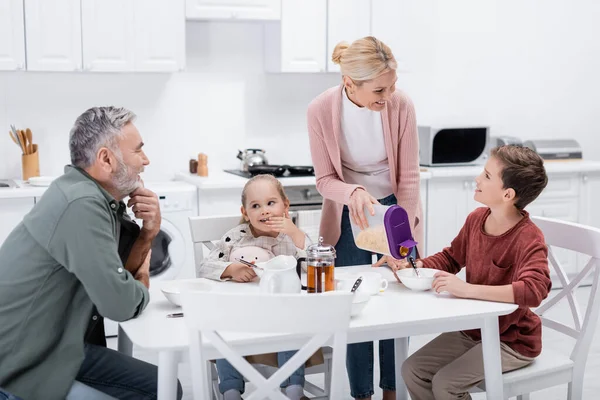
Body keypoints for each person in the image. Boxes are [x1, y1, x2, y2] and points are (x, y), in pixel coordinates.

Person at [0, 107, 183, 400]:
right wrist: (143, 280)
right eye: (138, 151)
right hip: (20, 363)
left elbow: (122, 270)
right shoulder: (82, 204)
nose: (146, 161)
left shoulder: (95, 197)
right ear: (106, 159)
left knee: (165, 387)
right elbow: (121, 304)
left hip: (57, 346)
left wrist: (148, 232)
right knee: (160, 391)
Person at [306, 36, 422, 399]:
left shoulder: (400, 105)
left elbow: (409, 177)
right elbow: (324, 179)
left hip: (394, 209)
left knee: (396, 304)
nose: (387, 96)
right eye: (379, 89)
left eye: (392, 86)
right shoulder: (320, 109)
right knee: (352, 309)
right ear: (349, 83)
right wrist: (351, 192)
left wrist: (401, 242)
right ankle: (362, 394)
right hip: (347, 212)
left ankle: (392, 392)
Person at [400, 145, 552, 399]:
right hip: (474, 330)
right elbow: (451, 258)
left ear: (508, 194)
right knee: (412, 370)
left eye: (487, 176)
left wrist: (465, 289)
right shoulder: (476, 219)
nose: (477, 179)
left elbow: (534, 290)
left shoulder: (528, 237)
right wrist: (412, 266)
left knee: (446, 384)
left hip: (512, 341)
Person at [199, 174, 312, 400]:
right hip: (242, 316)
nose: (264, 211)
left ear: (285, 205)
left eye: (271, 203)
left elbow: (313, 269)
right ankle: (231, 391)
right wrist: (231, 269)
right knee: (221, 327)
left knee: (293, 326)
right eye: (255, 206)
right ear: (245, 213)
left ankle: (293, 390)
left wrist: (296, 234)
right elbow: (205, 266)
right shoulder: (236, 238)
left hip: (283, 316)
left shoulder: (292, 238)